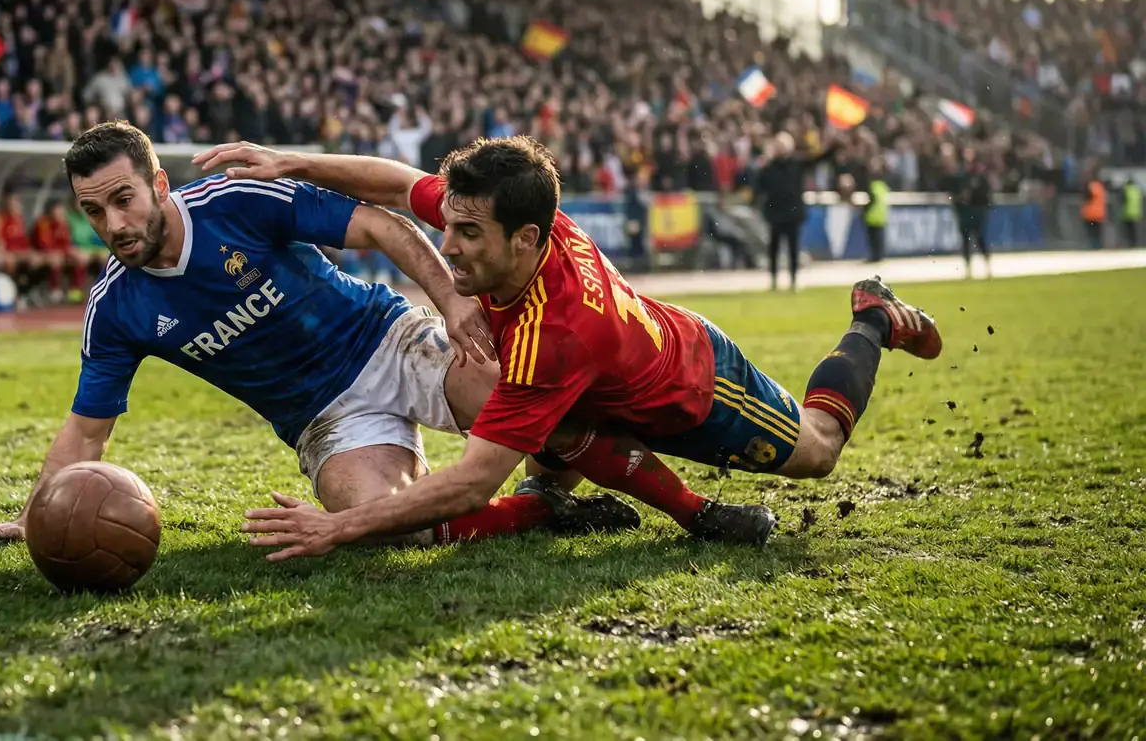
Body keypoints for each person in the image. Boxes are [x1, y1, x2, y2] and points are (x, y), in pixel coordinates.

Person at [0, 122, 763, 548]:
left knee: (529, 401)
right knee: (385, 524)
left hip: (390, 341)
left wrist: (447, 303)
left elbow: (378, 223)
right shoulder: (116, 308)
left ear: (159, 182)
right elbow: (85, 431)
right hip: (326, 421)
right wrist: (39, 514)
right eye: (94, 210)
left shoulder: (235, 202)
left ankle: (683, 508)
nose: (114, 223)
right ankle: (544, 512)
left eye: (124, 197)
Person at [197, 137, 944, 562]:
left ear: (526, 239)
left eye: (466, 236)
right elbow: (399, 184)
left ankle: (873, 316)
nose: (445, 246)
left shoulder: (557, 333)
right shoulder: (513, 218)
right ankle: (580, 503)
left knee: (818, 449)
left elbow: (467, 484)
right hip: (596, 381)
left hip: (695, 386)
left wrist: (338, 526)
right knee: (540, 415)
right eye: (448, 226)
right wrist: (293, 161)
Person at [755, 132, 835, 291]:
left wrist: (832, 146)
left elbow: (817, 159)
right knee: (774, 249)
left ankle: (793, 280)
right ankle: (774, 280)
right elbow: (760, 186)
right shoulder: (769, 167)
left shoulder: (797, 163)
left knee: (793, 248)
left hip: (792, 214)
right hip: (775, 213)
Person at [949, 149, 994, 276]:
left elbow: (986, 197)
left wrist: (984, 208)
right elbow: (952, 196)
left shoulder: (980, 179)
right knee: (965, 240)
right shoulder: (960, 179)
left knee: (980, 239)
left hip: (977, 211)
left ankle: (987, 264)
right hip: (965, 212)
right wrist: (959, 200)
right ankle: (968, 266)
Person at [863, 156, 890, 263]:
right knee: (876, 238)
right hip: (879, 215)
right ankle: (877, 255)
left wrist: (865, 210)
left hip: (873, 215)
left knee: (874, 238)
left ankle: (876, 256)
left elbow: (872, 200)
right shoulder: (883, 183)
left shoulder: (872, 183)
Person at [1081, 175, 1107, 250]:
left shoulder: (1089, 187)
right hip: (1099, 214)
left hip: (1090, 214)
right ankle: (1098, 246)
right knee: (1098, 232)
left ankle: (1093, 246)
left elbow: (1086, 198)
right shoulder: (1100, 187)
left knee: (1091, 232)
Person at [1122, 177, 1142, 249]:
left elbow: (1123, 200)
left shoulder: (1126, 189)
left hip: (1127, 213)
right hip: (1136, 213)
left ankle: (1129, 244)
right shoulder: (1137, 190)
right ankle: (1135, 244)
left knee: (1128, 232)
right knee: (1134, 232)